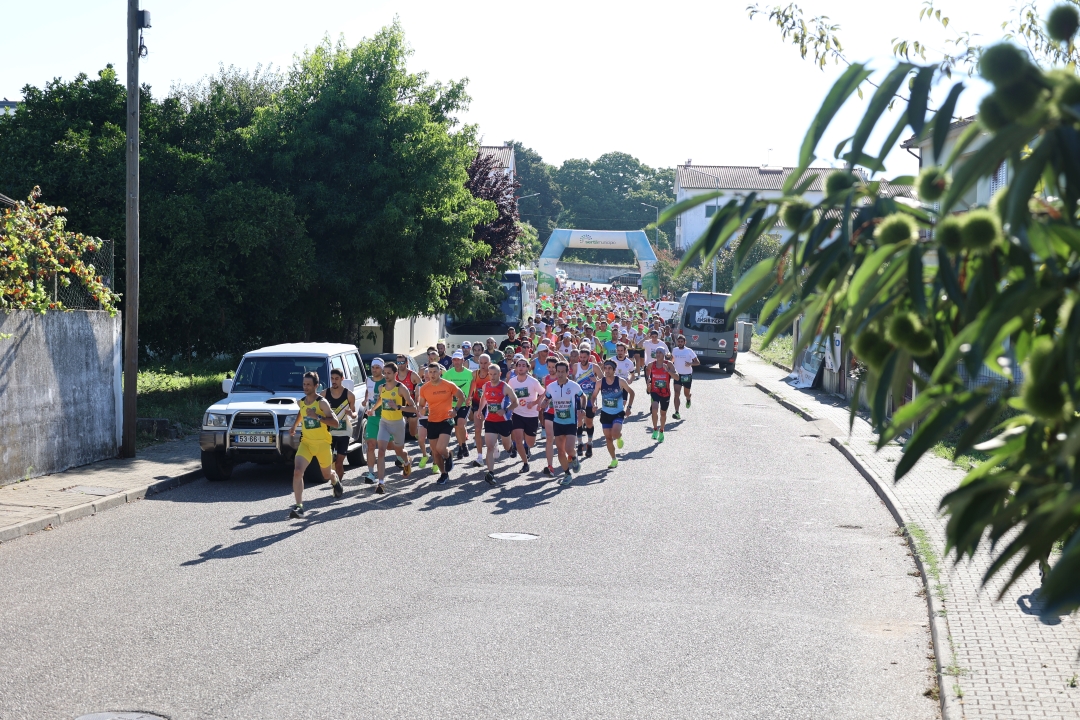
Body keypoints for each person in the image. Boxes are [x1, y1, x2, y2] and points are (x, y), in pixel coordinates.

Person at [286, 371, 342, 518]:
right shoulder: (302, 402)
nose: (305, 387)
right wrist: (294, 426)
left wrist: (317, 416)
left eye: (309, 384)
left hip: (323, 444)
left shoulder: (322, 402)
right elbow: (302, 412)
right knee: (298, 471)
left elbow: (335, 423)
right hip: (307, 443)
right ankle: (299, 506)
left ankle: (334, 478)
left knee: (326, 474)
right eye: (304, 384)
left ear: (316, 386)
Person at [418, 363, 467, 485]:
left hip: (446, 420)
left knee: (440, 448)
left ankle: (448, 454)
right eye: (430, 372)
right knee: (435, 452)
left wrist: (455, 410)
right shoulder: (424, 388)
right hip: (432, 421)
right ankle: (444, 474)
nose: (432, 374)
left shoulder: (448, 385)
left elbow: (461, 397)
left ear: (440, 372)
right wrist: (422, 410)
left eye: (435, 372)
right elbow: (421, 405)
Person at [372, 362, 417, 493]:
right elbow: (380, 399)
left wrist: (398, 407)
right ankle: (380, 483)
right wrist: (372, 409)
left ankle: (407, 461)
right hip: (384, 422)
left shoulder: (401, 388)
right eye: (384, 373)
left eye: (388, 373)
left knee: (399, 452)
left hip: (398, 423)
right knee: (381, 451)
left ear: (395, 374)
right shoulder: (382, 387)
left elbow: (413, 407)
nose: (386, 375)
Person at [540, 360, 584, 485]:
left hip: (570, 421)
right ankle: (567, 474)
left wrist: (582, 409)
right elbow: (547, 398)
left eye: (562, 372)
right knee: (560, 451)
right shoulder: (551, 386)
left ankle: (574, 458)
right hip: (557, 421)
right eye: (558, 371)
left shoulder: (574, 385)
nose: (559, 374)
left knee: (569, 448)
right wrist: (543, 403)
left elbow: (583, 397)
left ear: (567, 372)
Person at [477, 363, 516, 485]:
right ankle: (490, 473)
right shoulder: (486, 386)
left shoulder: (505, 387)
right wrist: (479, 410)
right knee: (489, 447)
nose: (492, 376)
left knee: (506, 446)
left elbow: (516, 402)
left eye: (495, 374)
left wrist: (505, 410)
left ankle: (511, 448)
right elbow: (484, 398)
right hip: (490, 421)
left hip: (504, 421)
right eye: (490, 374)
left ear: (500, 374)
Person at [592, 359, 635, 468]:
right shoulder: (600, 382)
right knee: (608, 438)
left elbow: (631, 393)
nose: (607, 370)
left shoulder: (620, 381)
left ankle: (619, 436)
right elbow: (593, 396)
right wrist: (593, 404)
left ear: (614, 370)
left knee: (614, 433)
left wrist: (629, 407)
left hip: (618, 413)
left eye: (609, 368)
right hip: (605, 414)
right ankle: (614, 459)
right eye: (605, 368)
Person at [507, 356, 544, 473]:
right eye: (519, 365)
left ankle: (527, 448)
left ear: (528, 368)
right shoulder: (512, 382)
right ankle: (525, 463)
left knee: (530, 442)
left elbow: (544, 393)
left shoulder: (533, 381)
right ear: (516, 368)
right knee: (518, 440)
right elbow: (508, 395)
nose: (521, 367)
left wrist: (534, 402)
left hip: (532, 415)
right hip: (517, 414)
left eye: (524, 365)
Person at [323, 367, 356, 486]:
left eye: (337, 378)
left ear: (342, 379)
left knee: (340, 462)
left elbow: (354, 412)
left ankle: (338, 485)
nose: (334, 381)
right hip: (329, 433)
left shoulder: (349, 395)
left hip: (344, 432)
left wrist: (351, 414)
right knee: (328, 462)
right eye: (332, 378)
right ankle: (334, 479)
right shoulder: (324, 394)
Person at [443, 350, 476, 462]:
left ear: (463, 360)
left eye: (458, 360)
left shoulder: (469, 373)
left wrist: (470, 397)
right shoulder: (448, 374)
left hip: (464, 404)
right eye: (454, 360)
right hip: (451, 404)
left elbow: (473, 387)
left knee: (461, 423)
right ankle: (462, 446)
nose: (456, 362)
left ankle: (463, 445)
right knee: (457, 426)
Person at [574, 342, 600, 459]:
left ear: (589, 357)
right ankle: (579, 444)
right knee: (579, 421)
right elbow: (569, 380)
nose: (583, 359)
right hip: (578, 398)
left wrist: (596, 380)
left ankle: (589, 443)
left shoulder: (594, 367)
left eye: (585, 357)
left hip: (590, 399)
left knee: (589, 423)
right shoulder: (575, 367)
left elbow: (604, 381)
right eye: (581, 357)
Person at [645, 348, 678, 442]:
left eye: (660, 353)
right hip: (655, 391)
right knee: (654, 409)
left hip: (665, 393)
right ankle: (655, 429)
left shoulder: (669, 364)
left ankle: (661, 431)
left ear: (664, 354)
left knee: (663, 414)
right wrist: (649, 379)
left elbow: (677, 377)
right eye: (657, 352)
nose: (658, 354)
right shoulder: (652, 364)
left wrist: (668, 371)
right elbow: (647, 369)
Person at [363, 358, 386, 483]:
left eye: (377, 367)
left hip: (386, 417)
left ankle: (403, 458)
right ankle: (371, 473)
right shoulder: (369, 380)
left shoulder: (386, 380)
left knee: (392, 447)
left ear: (382, 368)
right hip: (372, 417)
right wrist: (366, 400)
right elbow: (368, 390)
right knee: (370, 445)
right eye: (373, 367)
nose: (374, 369)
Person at [670, 334, 700, 420]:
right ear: (677, 342)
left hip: (687, 375)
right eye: (678, 342)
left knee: (686, 393)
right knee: (676, 393)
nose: (680, 343)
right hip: (677, 375)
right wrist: (670, 363)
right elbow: (672, 360)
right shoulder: (675, 350)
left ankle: (688, 398)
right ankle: (677, 412)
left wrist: (690, 363)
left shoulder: (689, 351)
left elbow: (697, 362)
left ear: (684, 342)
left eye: (681, 342)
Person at [540, 356, 559, 477]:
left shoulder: (562, 379)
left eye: (553, 367)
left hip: (562, 413)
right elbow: (544, 394)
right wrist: (541, 403)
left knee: (561, 440)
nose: (551, 369)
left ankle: (570, 456)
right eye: (549, 367)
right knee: (549, 439)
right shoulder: (545, 379)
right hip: (549, 412)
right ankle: (550, 466)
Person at [395, 355, 422, 441]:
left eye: (402, 362)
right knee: (400, 428)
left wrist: (414, 392)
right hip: (398, 406)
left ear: (406, 363)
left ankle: (420, 435)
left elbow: (422, 387)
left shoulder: (412, 375)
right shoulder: (394, 375)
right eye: (398, 363)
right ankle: (400, 448)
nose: (400, 365)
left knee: (412, 433)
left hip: (411, 406)